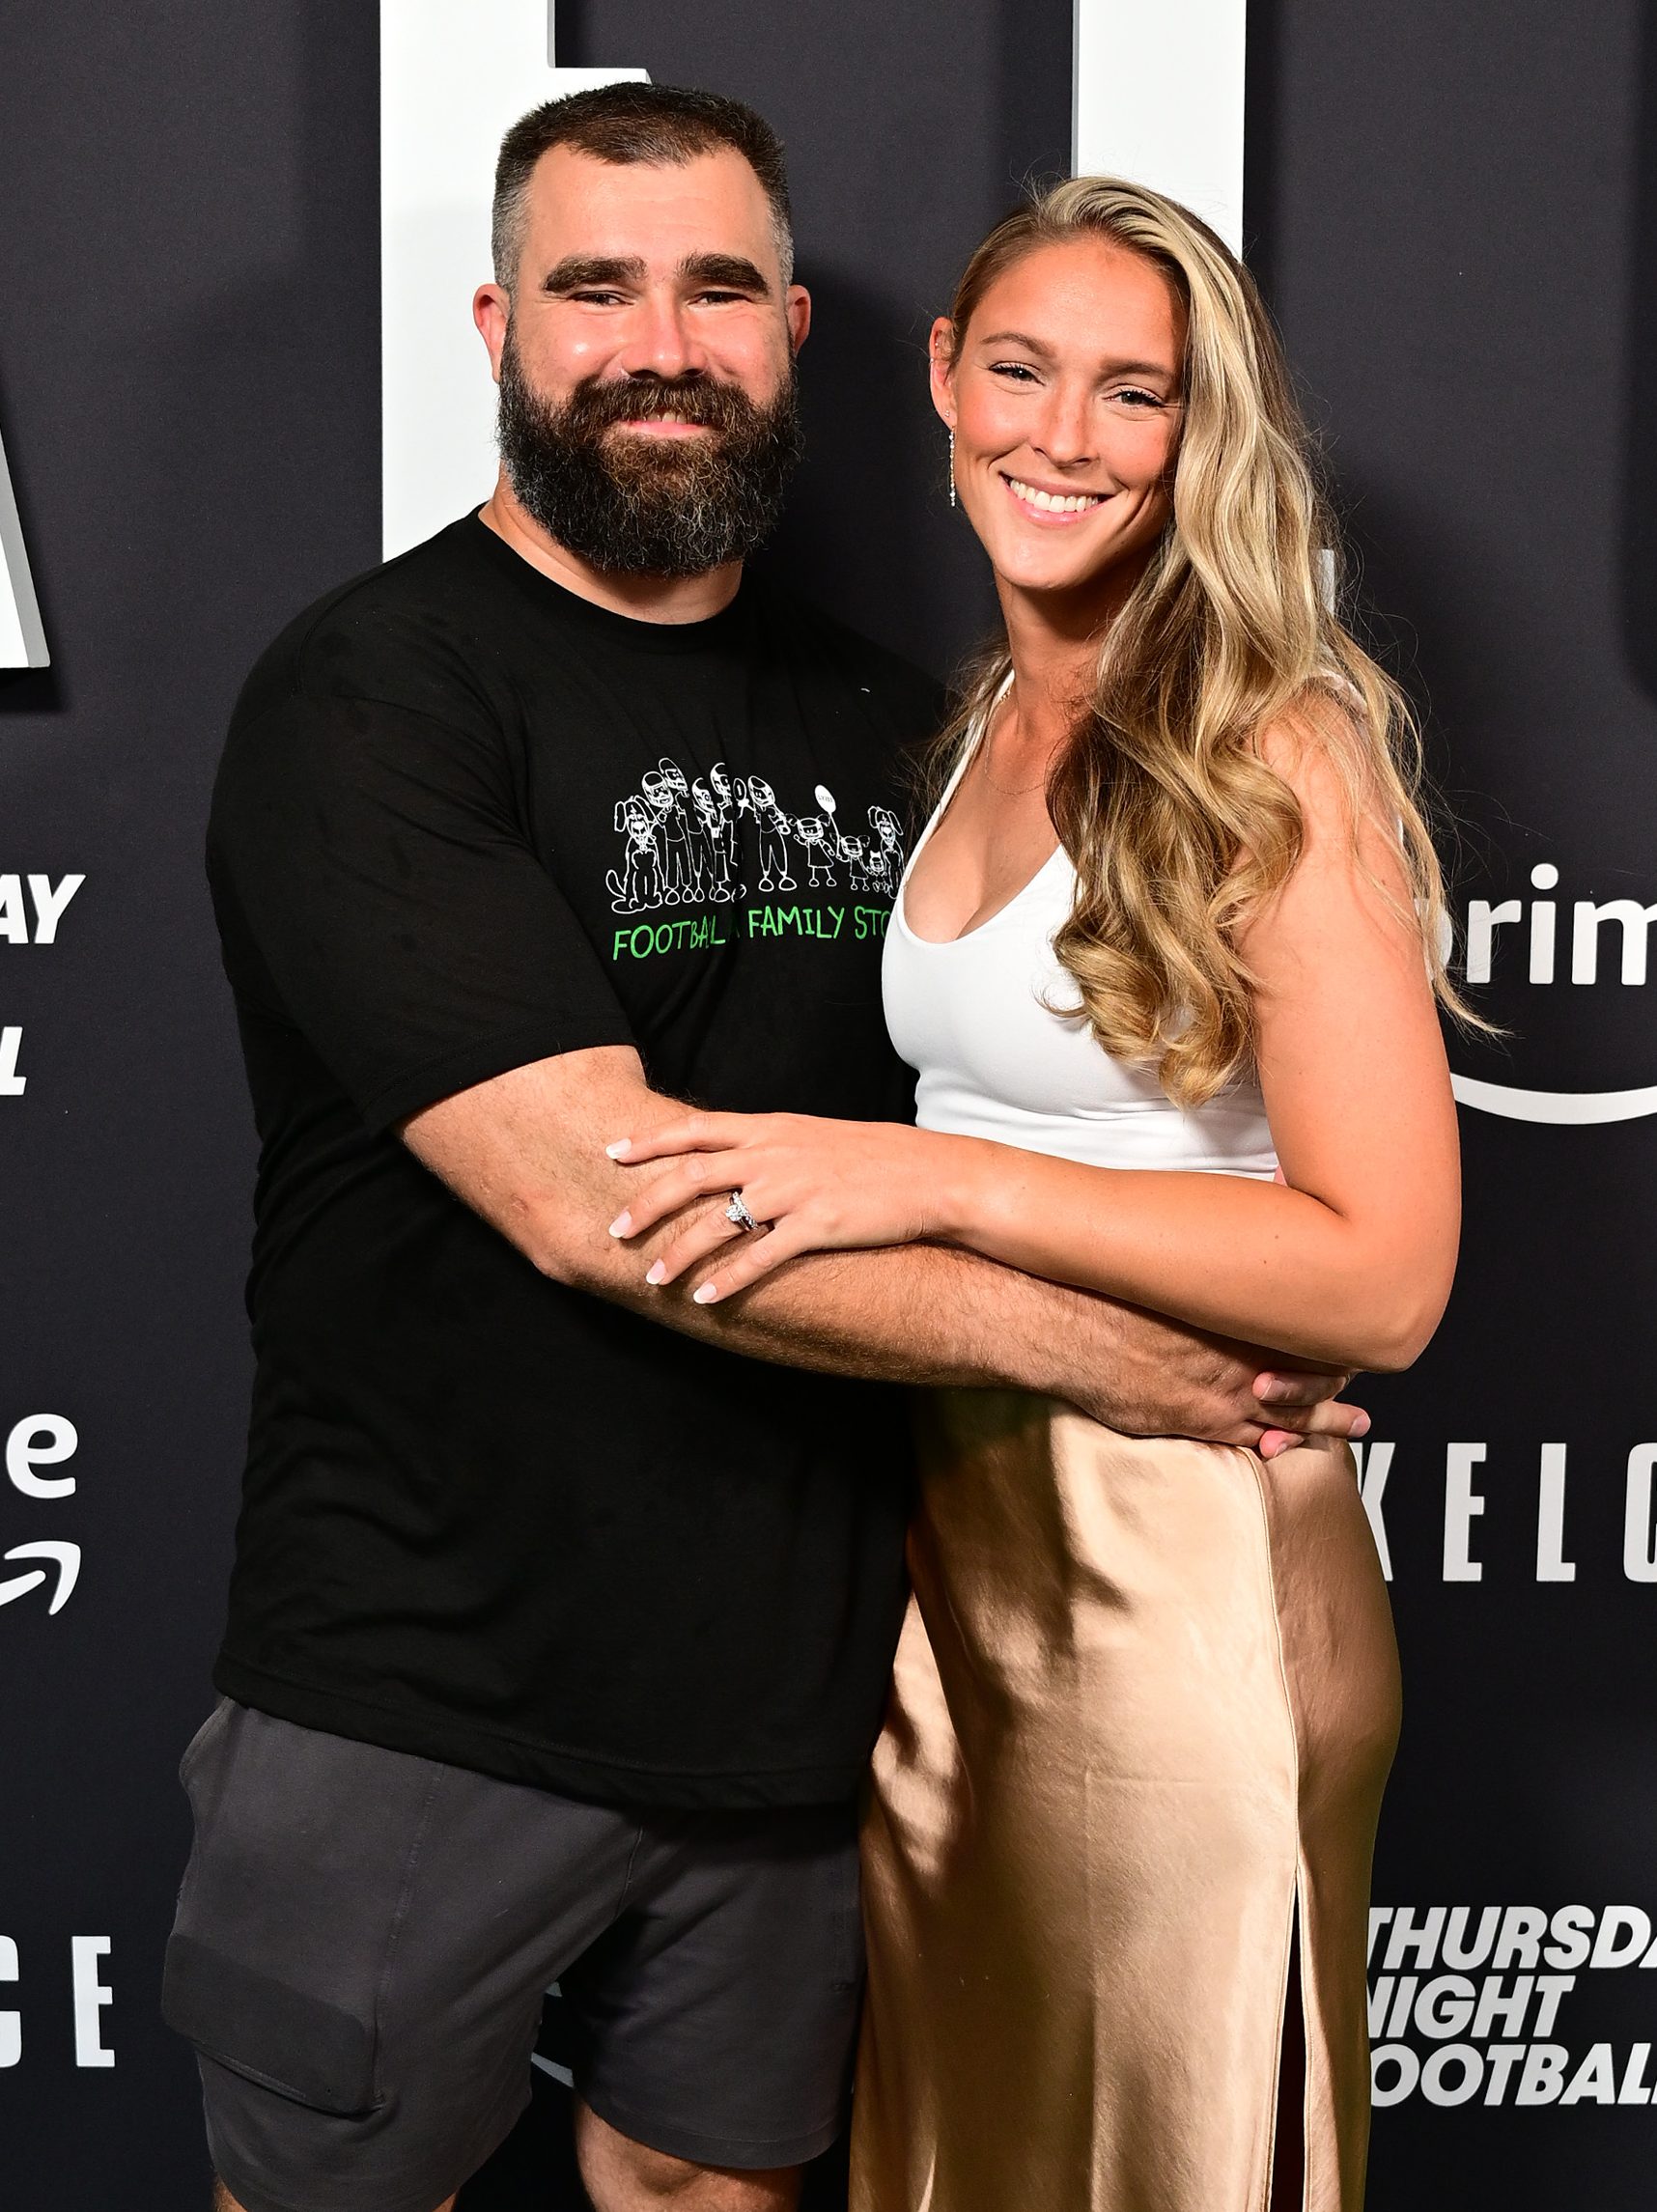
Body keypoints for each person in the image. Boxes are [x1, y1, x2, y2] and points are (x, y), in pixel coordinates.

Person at [162, 88, 1367, 2212]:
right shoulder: (374, 699)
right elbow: (596, 1197)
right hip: (428, 1690)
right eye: (594, 288)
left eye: (719, 287)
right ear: (495, 325)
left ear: (800, 327)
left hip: (807, 1712)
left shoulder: (907, 720)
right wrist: (1101, 1352)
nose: (663, 339)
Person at [609, 178, 1462, 2210]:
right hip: (960, 1567)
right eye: (1021, 369)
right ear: (939, 378)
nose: (1062, 435)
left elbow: (1387, 1277)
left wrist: (930, 1185)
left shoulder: (1276, 744)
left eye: (1133, 394)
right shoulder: (988, 715)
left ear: (1201, 437)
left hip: (1190, 1564)